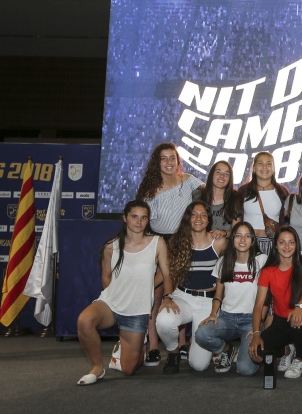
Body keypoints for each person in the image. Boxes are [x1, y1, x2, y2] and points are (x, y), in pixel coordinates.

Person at [76, 200, 172, 385]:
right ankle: (97, 368)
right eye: (134, 217)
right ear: (125, 218)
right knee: (84, 320)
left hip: (137, 312)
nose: (139, 221)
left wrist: (152, 289)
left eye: (144, 218)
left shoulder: (157, 243)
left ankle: (139, 347)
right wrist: (118, 295)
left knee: (128, 370)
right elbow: (106, 278)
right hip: (111, 304)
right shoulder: (111, 246)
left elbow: (167, 274)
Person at [135, 142, 204, 367]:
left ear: (178, 160)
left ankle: (181, 343)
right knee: (155, 296)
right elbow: (140, 222)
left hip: (183, 243)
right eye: (163, 158)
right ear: (157, 162)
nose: (168, 162)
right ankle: (153, 347)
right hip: (158, 244)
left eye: (172, 158)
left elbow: (212, 192)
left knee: (180, 293)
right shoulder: (148, 190)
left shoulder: (189, 181)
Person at [156, 201, 228, 374]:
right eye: (194, 214)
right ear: (188, 218)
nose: (198, 218)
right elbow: (166, 274)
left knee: (199, 366)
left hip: (208, 303)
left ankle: (217, 346)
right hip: (183, 297)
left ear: (208, 220)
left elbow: (229, 269)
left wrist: (226, 231)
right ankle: (173, 352)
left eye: (203, 215)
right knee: (164, 321)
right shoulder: (177, 242)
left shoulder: (218, 242)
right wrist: (164, 296)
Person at [193, 221, 267, 376]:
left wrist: (258, 327)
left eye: (247, 236)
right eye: (238, 236)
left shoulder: (262, 261)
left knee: (246, 370)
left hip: (250, 320)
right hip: (227, 318)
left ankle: (244, 352)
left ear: (253, 240)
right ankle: (228, 349)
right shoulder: (223, 261)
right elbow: (218, 294)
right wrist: (213, 314)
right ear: (232, 239)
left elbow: (266, 299)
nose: (242, 240)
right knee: (202, 334)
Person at [248, 226, 302, 379]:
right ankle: (286, 350)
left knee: (298, 322)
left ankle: (300, 358)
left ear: (296, 244)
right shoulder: (268, 272)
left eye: (291, 242)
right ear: (276, 245)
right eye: (282, 242)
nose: (287, 247)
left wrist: (299, 307)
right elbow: (259, 305)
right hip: (281, 321)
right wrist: (256, 333)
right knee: (257, 354)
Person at [239, 151, 289, 255]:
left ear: (274, 168)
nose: (264, 167)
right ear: (254, 167)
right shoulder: (243, 191)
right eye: (260, 163)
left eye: (269, 163)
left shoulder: (282, 191)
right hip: (248, 244)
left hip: (273, 245)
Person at [192, 160, 242, 241]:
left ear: (230, 179)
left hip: (225, 247)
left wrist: (224, 233)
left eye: (226, 174)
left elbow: (237, 231)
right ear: (211, 175)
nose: (222, 176)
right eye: (218, 172)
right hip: (200, 244)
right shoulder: (197, 195)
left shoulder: (235, 198)